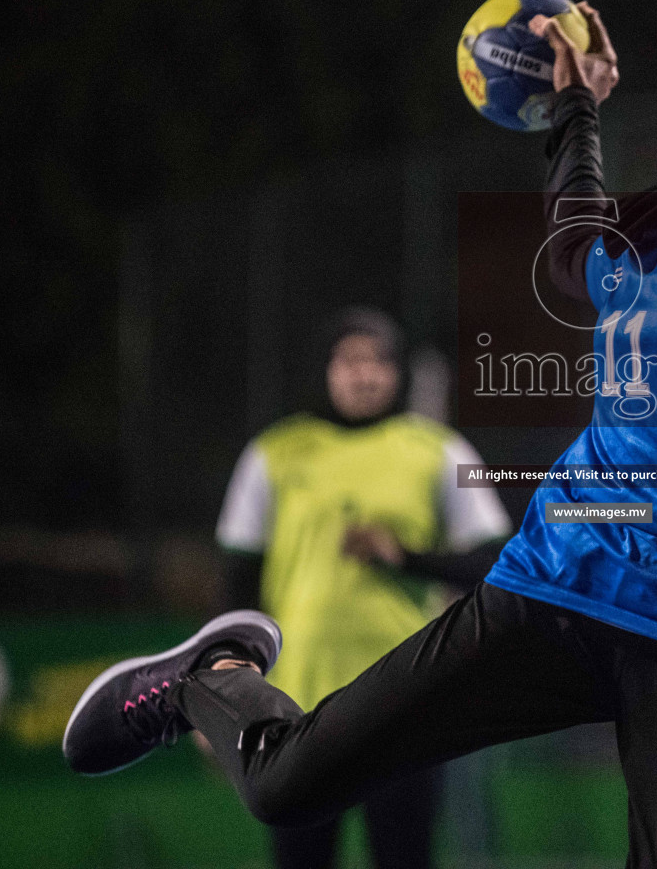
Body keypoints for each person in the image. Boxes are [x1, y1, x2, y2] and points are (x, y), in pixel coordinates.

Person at [63, 0, 657, 869]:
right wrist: (576, 108)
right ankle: (207, 676)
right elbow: (569, 262)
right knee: (285, 784)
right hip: (572, 577)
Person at [214, 307, 512, 869]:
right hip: (294, 705)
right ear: (325, 369)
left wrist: (404, 556)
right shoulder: (274, 452)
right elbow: (237, 580)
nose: (364, 374)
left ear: (398, 373)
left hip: (406, 700)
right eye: (350, 360)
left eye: (378, 361)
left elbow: (496, 559)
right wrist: (223, 695)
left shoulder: (436, 450)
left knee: (403, 857)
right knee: (301, 857)